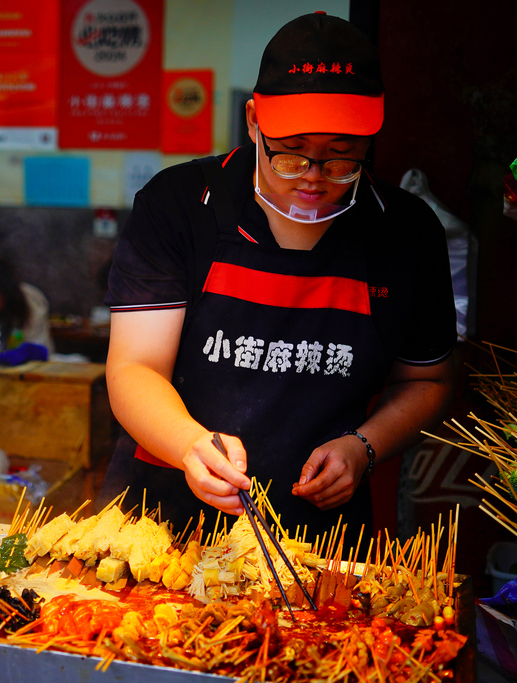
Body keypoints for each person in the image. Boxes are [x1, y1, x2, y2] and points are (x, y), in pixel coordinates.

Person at [98, 13, 455, 538]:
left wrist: (365, 446)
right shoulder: (180, 206)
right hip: (161, 526)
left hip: (321, 542)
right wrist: (188, 443)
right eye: (290, 153)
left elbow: (428, 380)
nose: (313, 177)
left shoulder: (404, 231)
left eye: (339, 157)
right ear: (253, 121)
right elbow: (133, 367)